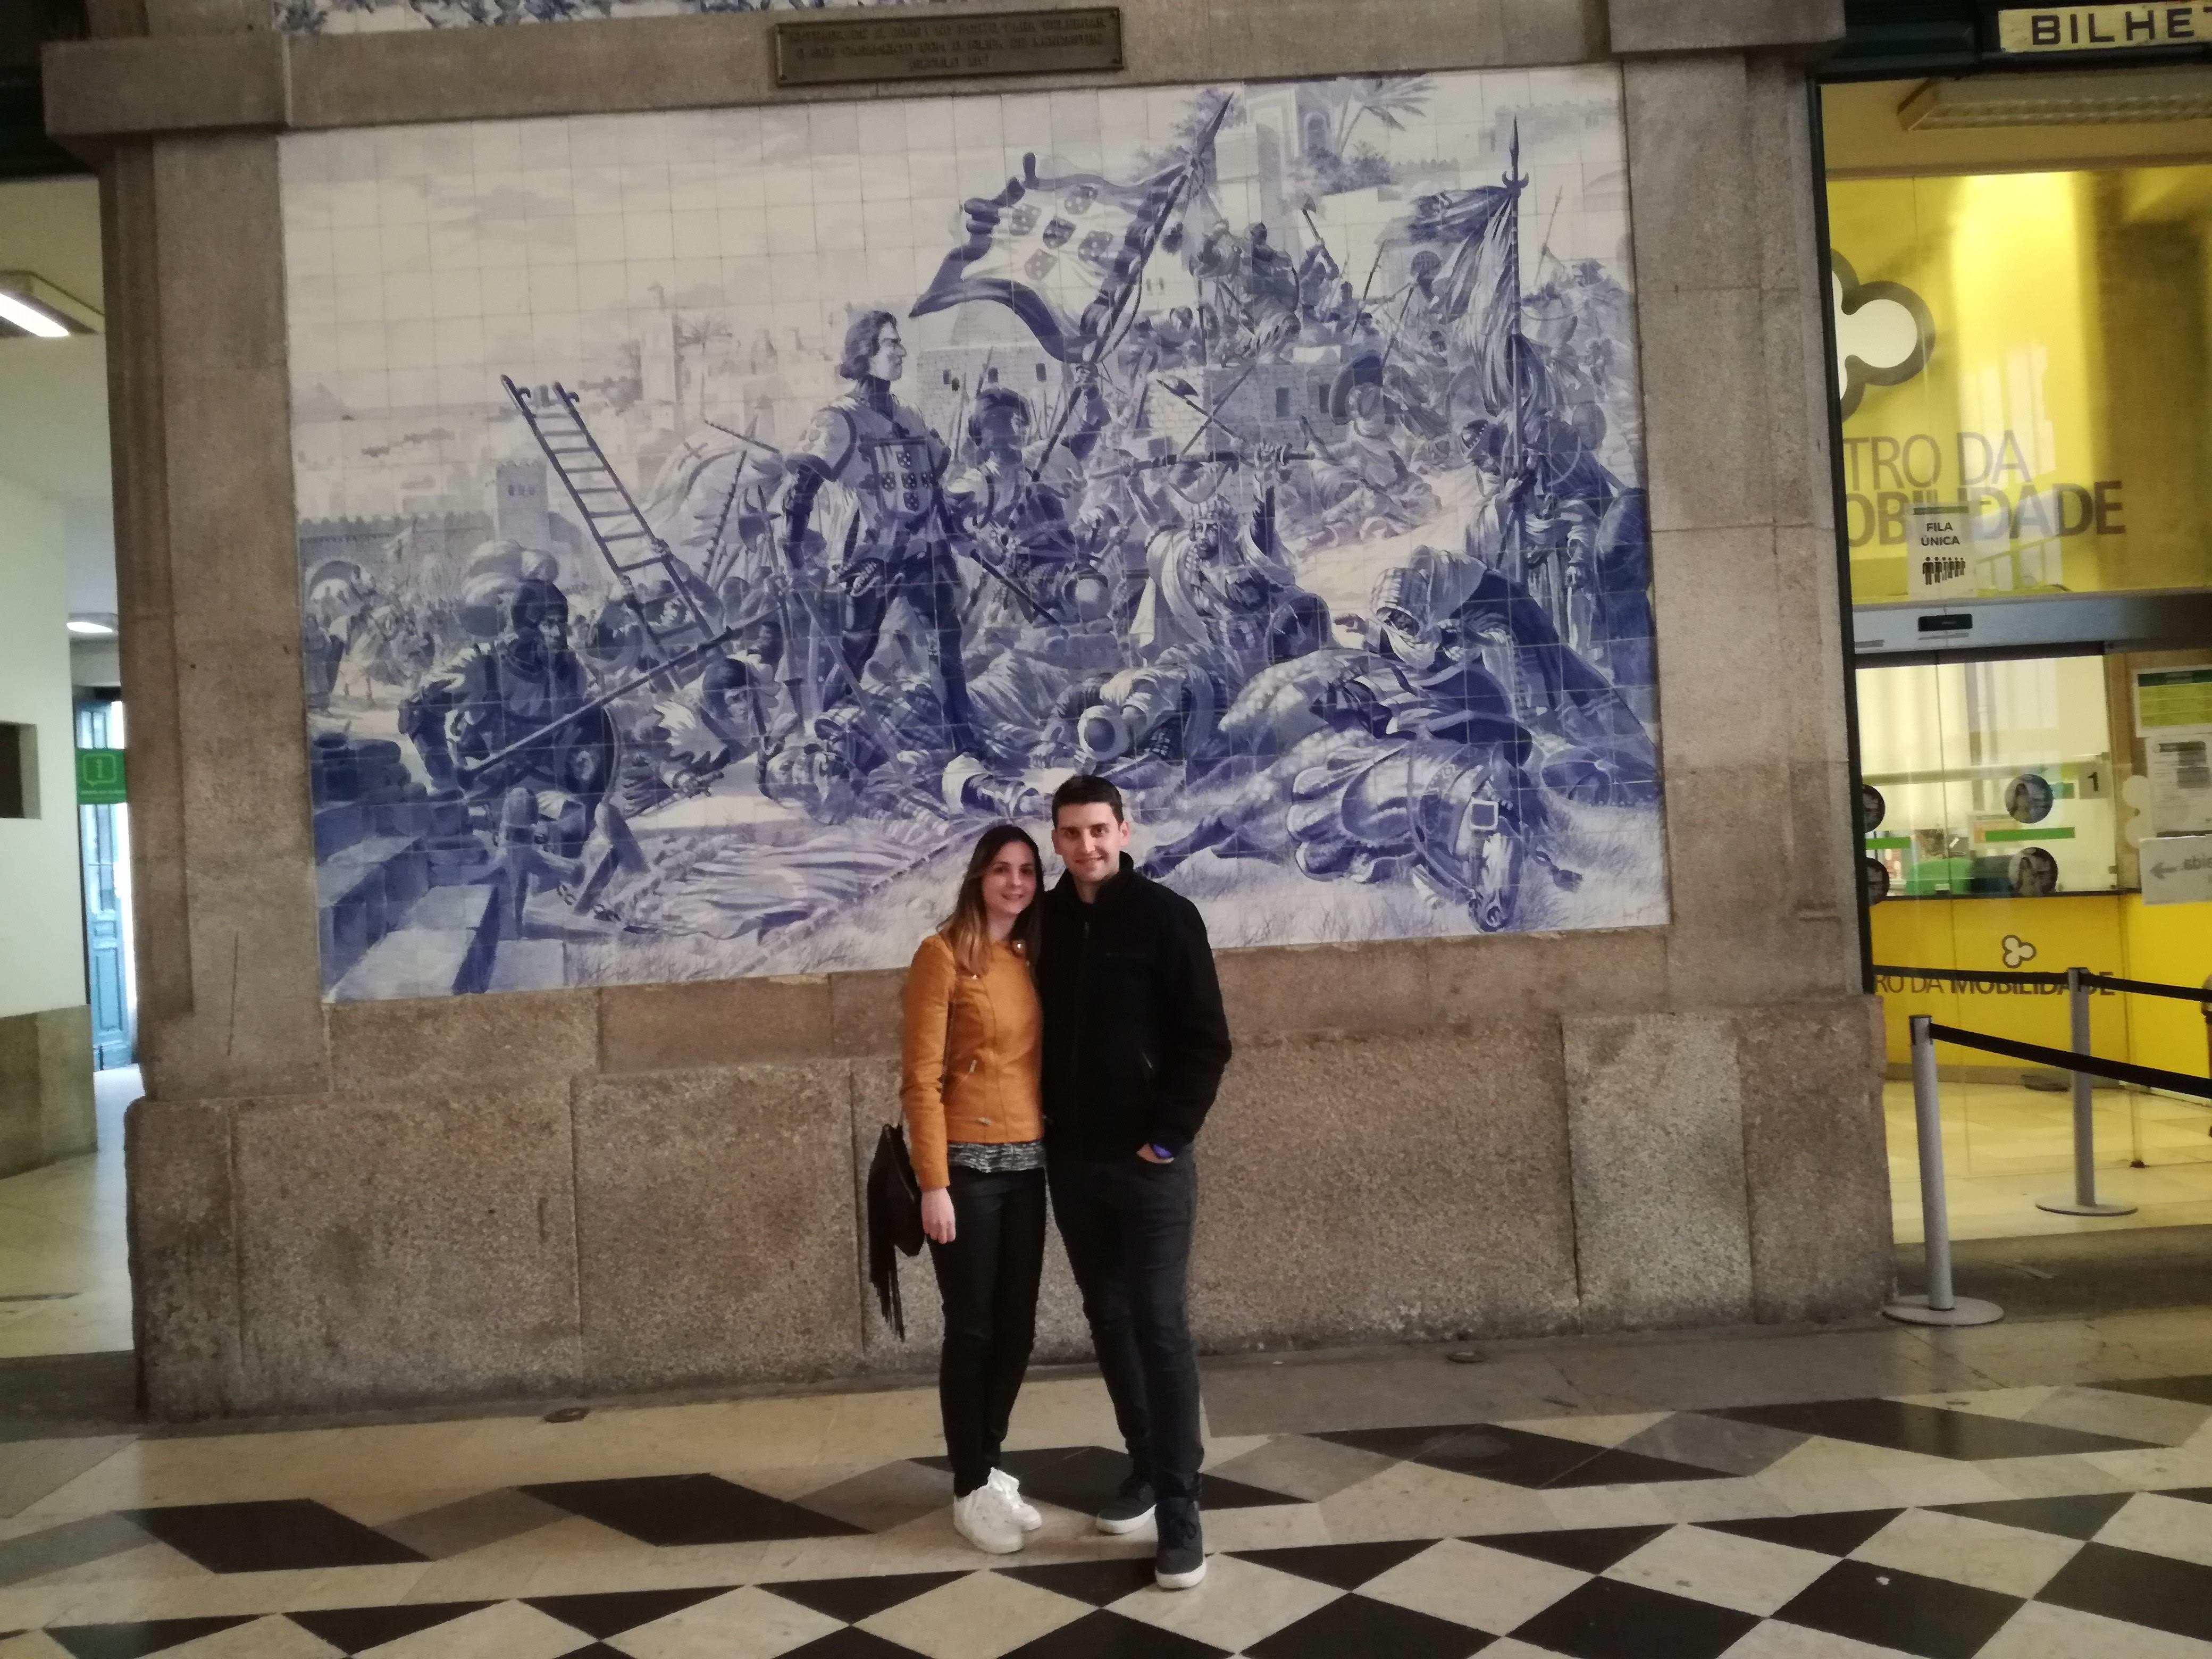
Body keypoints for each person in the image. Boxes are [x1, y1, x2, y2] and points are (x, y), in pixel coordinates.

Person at [1037, 775, 1233, 1590]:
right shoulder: (1041, 924)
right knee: (1110, 1316)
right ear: (1057, 840)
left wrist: (1166, 1138)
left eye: (1099, 829)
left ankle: (1183, 1508)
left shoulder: (1166, 917)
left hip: (1150, 1166)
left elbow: (1206, 1040)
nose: (1086, 845)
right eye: (1071, 832)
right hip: (1073, 1162)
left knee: (1158, 1323)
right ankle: (1146, 1467)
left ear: (1123, 831)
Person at [900, 824, 1052, 1556]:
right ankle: (967, 1488)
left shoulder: (1030, 955)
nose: (1015, 883)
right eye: (1002, 870)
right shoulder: (942, 955)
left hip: (1028, 1170)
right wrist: (934, 1183)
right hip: (965, 1171)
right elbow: (919, 1079)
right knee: (973, 1329)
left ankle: (988, 1467)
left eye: (1027, 871)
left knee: (1017, 1328)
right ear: (978, 878)